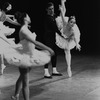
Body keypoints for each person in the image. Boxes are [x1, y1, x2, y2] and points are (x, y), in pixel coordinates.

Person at [0, 11, 54, 100]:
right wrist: (49, 49)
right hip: (24, 57)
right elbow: (35, 43)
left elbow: (33, 44)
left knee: (22, 77)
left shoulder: (25, 29)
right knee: (25, 83)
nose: (30, 17)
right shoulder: (24, 30)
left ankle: (15, 95)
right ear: (25, 18)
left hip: (30, 55)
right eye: (28, 16)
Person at [56, 0, 81, 77]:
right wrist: (61, 9)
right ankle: (63, 2)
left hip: (68, 38)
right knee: (62, 14)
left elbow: (74, 37)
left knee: (67, 50)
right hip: (62, 32)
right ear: (68, 21)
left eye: (74, 22)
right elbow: (63, 16)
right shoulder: (64, 23)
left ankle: (68, 67)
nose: (73, 24)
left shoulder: (73, 29)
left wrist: (77, 44)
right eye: (71, 22)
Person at [43, 2, 63, 78]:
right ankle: (46, 72)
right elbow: (55, 28)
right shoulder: (47, 18)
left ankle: (54, 70)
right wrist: (63, 35)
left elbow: (60, 20)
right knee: (48, 54)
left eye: (53, 9)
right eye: (50, 9)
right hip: (48, 38)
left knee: (54, 54)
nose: (52, 10)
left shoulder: (54, 16)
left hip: (54, 38)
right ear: (46, 10)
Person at [0, 2, 20, 75]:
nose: (11, 8)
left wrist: (22, 24)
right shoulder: (4, 16)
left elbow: (13, 22)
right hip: (0, 30)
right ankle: (2, 65)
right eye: (10, 6)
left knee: (1, 49)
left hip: (0, 31)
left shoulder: (4, 15)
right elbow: (12, 22)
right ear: (7, 7)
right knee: (1, 49)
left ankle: (2, 65)